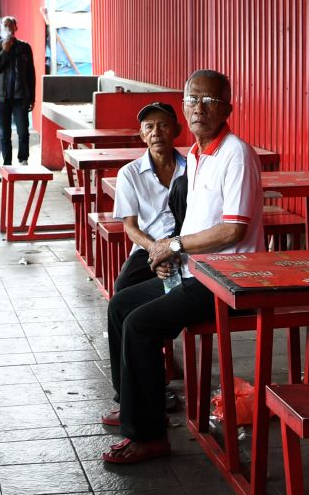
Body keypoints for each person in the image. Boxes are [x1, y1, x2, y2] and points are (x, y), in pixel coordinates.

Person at [101, 69, 264, 464]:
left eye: (209, 101)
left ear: (226, 108)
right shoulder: (194, 154)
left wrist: (173, 245)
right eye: (192, 100)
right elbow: (193, 220)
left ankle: (149, 435)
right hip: (194, 271)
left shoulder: (235, 154)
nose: (199, 109)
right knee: (122, 304)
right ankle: (137, 404)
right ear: (184, 108)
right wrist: (172, 259)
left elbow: (232, 230)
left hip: (226, 279)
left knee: (141, 324)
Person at [101, 102, 186, 425]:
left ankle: (159, 363)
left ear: (177, 130)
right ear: (141, 134)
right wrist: (156, 252)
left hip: (187, 245)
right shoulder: (130, 174)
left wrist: (175, 251)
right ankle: (127, 394)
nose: (156, 132)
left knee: (172, 292)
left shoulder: (192, 166)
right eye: (149, 127)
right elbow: (131, 227)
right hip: (148, 247)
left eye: (163, 125)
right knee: (123, 293)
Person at [0, 15, 36, 165]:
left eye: (10, 25)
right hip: (2, 97)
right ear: (0, 28)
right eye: (4, 26)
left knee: (23, 131)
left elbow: (30, 73)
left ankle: (23, 160)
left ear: (15, 28)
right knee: (4, 133)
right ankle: (7, 165)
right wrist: (5, 51)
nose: (7, 28)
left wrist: (32, 97)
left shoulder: (24, 47)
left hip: (20, 96)